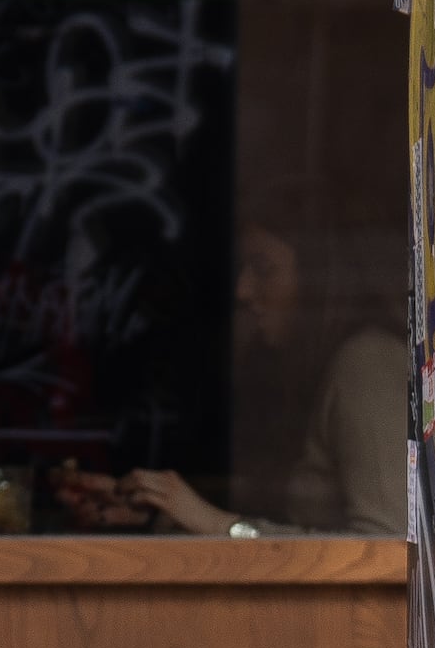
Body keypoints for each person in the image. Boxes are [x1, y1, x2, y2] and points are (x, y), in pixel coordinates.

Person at [52, 228, 405, 538]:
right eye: (242, 270)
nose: (242, 290)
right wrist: (161, 512)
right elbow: (289, 512)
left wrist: (220, 525)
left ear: (321, 277)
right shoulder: (310, 367)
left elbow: (387, 547)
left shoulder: (366, 363)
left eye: (263, 270)